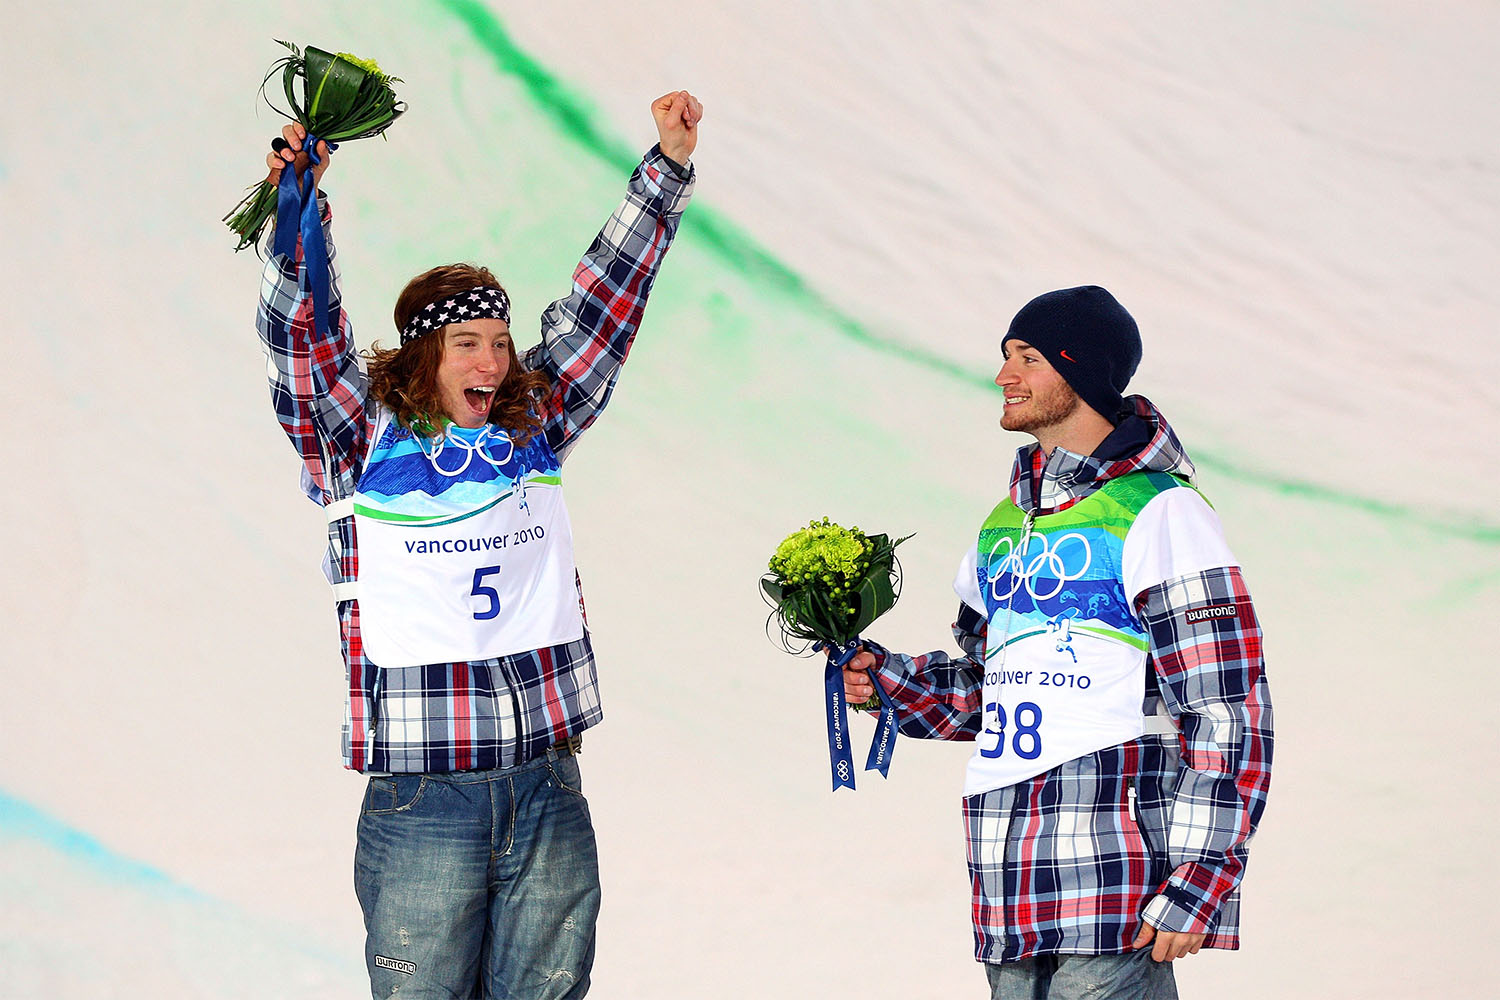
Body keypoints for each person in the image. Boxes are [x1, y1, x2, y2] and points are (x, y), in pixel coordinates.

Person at [255, 90, 702, 999]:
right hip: (424, 800)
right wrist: (299, 211)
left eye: (500, 342)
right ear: (424, 359)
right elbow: (302, 338)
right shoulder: (355, 441)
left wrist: (664, 172)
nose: (493, 363)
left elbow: (601, 314)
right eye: (468, 344)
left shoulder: (529, 424)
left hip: (546, 783)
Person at [837, 286, 1273, 999]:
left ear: (1081, 372)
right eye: (1005, 356)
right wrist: (890, 682)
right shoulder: (1006, 523)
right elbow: (991, 686)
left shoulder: (1158, 512)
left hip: (1113, 882)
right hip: (1008, 879)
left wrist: (1202, 877)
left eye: (1028, 357)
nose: (1004, 376)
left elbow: (1227, 707)